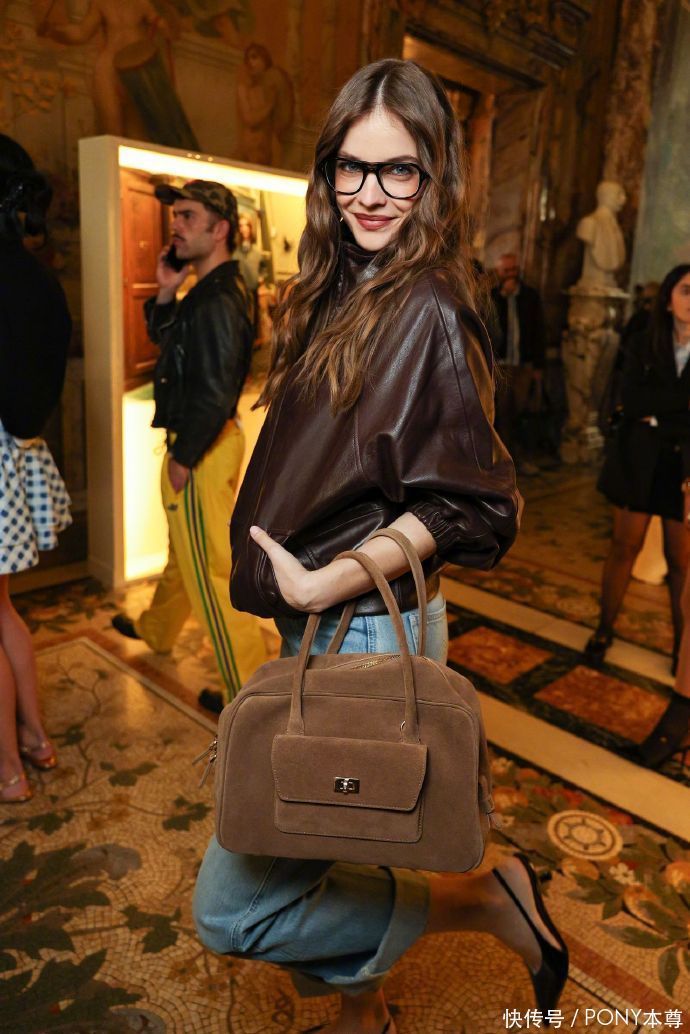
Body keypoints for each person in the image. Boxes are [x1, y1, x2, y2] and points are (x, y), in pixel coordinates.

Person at [192, 60, 568, 1034]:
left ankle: (487, 901)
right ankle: (366, 1015)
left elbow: (474, 503)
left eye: (398, 170)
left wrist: (328, 579)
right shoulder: (344, 280)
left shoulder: (431, 304)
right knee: (335, 825)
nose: (370, 193)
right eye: (352, 167)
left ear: (434, 176)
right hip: (329, 619)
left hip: (363, 623)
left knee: (231, 908)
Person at [111, 180, 266, 711]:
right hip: (202, 445)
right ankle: (157, 628)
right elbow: (168, 340)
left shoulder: (220, 297)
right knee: (186, 552)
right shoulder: (206, 288)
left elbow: (217, 391)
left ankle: (246, 691)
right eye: (175, 215)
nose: (175, 225)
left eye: (188, 217)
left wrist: (182, 458)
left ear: (220, 229)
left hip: (201, 449)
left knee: (210, 571)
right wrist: (164, 291)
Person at [0, 135, 72, 803]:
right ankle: (35, 740)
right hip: (17, 452)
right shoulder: (39, 276)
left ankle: (8, 772)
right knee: (5, 612)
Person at [585, 265, 690, 671]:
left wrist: (656, 413)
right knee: (623, 548)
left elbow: (647, 405)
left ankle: (682, 650)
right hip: (638, 460)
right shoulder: (645, 341)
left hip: (682, 467)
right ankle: (603, 629)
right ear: (668, 299)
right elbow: (632, 400)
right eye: (686, 291)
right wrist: (679, 405)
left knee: (680, 563)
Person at [490, 253, 547, 476]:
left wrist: (538, 367)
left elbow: (539, 331)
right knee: (502, 414)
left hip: (523, 365)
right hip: (501, 366)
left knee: (522, 414)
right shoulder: (493, 297)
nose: (511, 275)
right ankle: (501, 461)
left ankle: (521, 458)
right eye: (506, 271)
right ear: (499, 273)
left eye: (514, 270)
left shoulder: (530, 296)